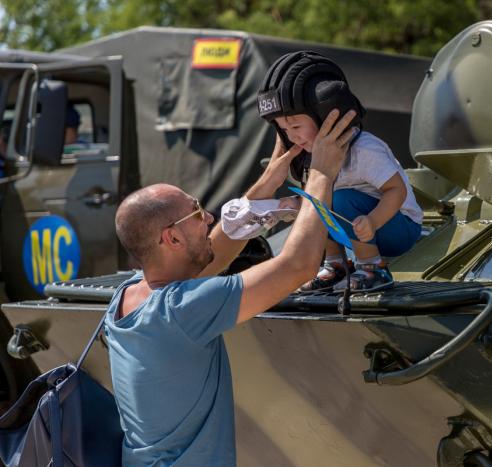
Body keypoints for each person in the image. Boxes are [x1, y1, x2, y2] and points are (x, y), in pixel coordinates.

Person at [104, 108, 357, 466]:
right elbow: (297, 266)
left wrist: (267, 181)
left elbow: (213, 253)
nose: (208, 218)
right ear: (172, 238)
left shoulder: (128, 296)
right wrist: (321, 173)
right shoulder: (183, 309)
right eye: (196, 213)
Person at [258, 51, 423, 292]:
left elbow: (396, 190)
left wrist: (373, 220)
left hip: (398, 225)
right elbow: (316, 197)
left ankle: (372, 268)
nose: (292, 136)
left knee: (340, 199)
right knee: (315, 204)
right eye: (283, 129)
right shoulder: (309, 155)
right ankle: (335, 266)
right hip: (359, 222)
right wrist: (292, 204)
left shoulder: (364, 149)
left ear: (327, 117)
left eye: (295, 125)